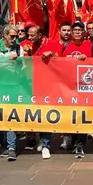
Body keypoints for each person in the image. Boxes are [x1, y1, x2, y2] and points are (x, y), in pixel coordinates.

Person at [21, 22, 61, 158]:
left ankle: (46, 145)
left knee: (46, 114)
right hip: (32, 84)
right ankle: (40, 139)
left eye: (32, 36)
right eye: (28, 35)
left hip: (48, 85)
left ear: (40, 35)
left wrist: (52, 54)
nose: (29, 38)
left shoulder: (52, 43)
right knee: (36, 114)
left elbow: (61, 61)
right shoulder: (28, 45)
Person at [60, 20, 93, 158]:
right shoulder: (66, 45)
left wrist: (87, 60)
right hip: (69, 85)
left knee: (82, 115)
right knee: (71, 114)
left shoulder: (90, 45)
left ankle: (80, 144)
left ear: (83, 32)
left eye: (80, 30)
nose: (77, 32)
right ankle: (72, 140)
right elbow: (59, 62)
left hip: (84, 86)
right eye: (75, 30)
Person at [0, 25, 21, 159]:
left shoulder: (18, 48)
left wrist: (18, 61)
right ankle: (0, 141)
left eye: (16, 37)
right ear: (5, 35)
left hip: (12, 86)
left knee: (10, 114)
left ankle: (12, 146)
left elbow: (24, 66)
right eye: (12, 36)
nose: (14, 39)